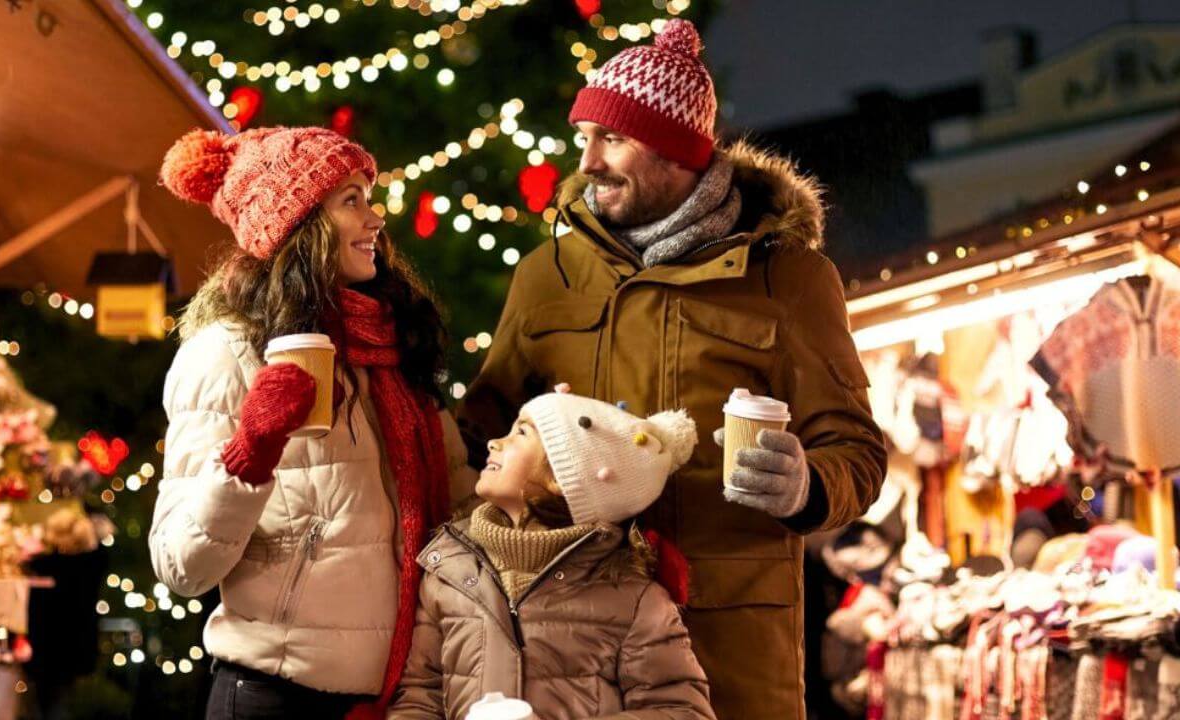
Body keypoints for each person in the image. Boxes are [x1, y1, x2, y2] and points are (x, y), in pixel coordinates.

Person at [458, 19, 887, 719]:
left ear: (677, 152)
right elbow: (478, 435)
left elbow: (859, 452)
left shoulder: (790, 278)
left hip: (728, 651)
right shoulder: (546, 275)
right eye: (585, 139)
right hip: (574, 657)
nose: (588, 162)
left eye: (613, 139)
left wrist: (806, 485)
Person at [151, 126, 474, 720]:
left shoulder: (395, 345)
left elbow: (460, 509)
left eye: (367, 198)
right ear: (297, 226)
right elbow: (181, 565)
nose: (375, 219)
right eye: (350, 200)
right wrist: (252, 449)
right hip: (276, 696)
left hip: (402, 698)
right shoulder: (225, 352)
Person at [390, 390, 716, 720]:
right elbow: (420, 696)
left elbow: (682, 710)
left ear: (563, 477)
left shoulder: (634, 598)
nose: (493, 442)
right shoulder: (449, 572)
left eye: (520, 432)